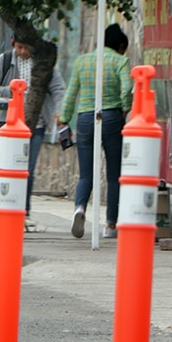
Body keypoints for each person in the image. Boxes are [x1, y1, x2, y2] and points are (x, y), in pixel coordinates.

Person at [59, 23, 134, 239]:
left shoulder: (82, 62)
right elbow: (126, 89)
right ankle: (111, 225)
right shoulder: (120, 61)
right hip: (111, 117)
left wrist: (64, 118)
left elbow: (71, 93)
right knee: (113, 175)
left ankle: (80, 208)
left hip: (84, 119)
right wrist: (124, 109)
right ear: (120, 45)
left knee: (86, 174)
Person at [0, 36, 66, 222]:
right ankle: (4, 205)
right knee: (6, 167)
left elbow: (59, 88)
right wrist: (13, 93)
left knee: (27, 168)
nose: (23, 52)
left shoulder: (42, 64)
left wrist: (59, 111)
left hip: (35, 125)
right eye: (20, 47)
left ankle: (24, 210)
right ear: (14, 45)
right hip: (8, 124)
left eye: (27, 47)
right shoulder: (4, 61)